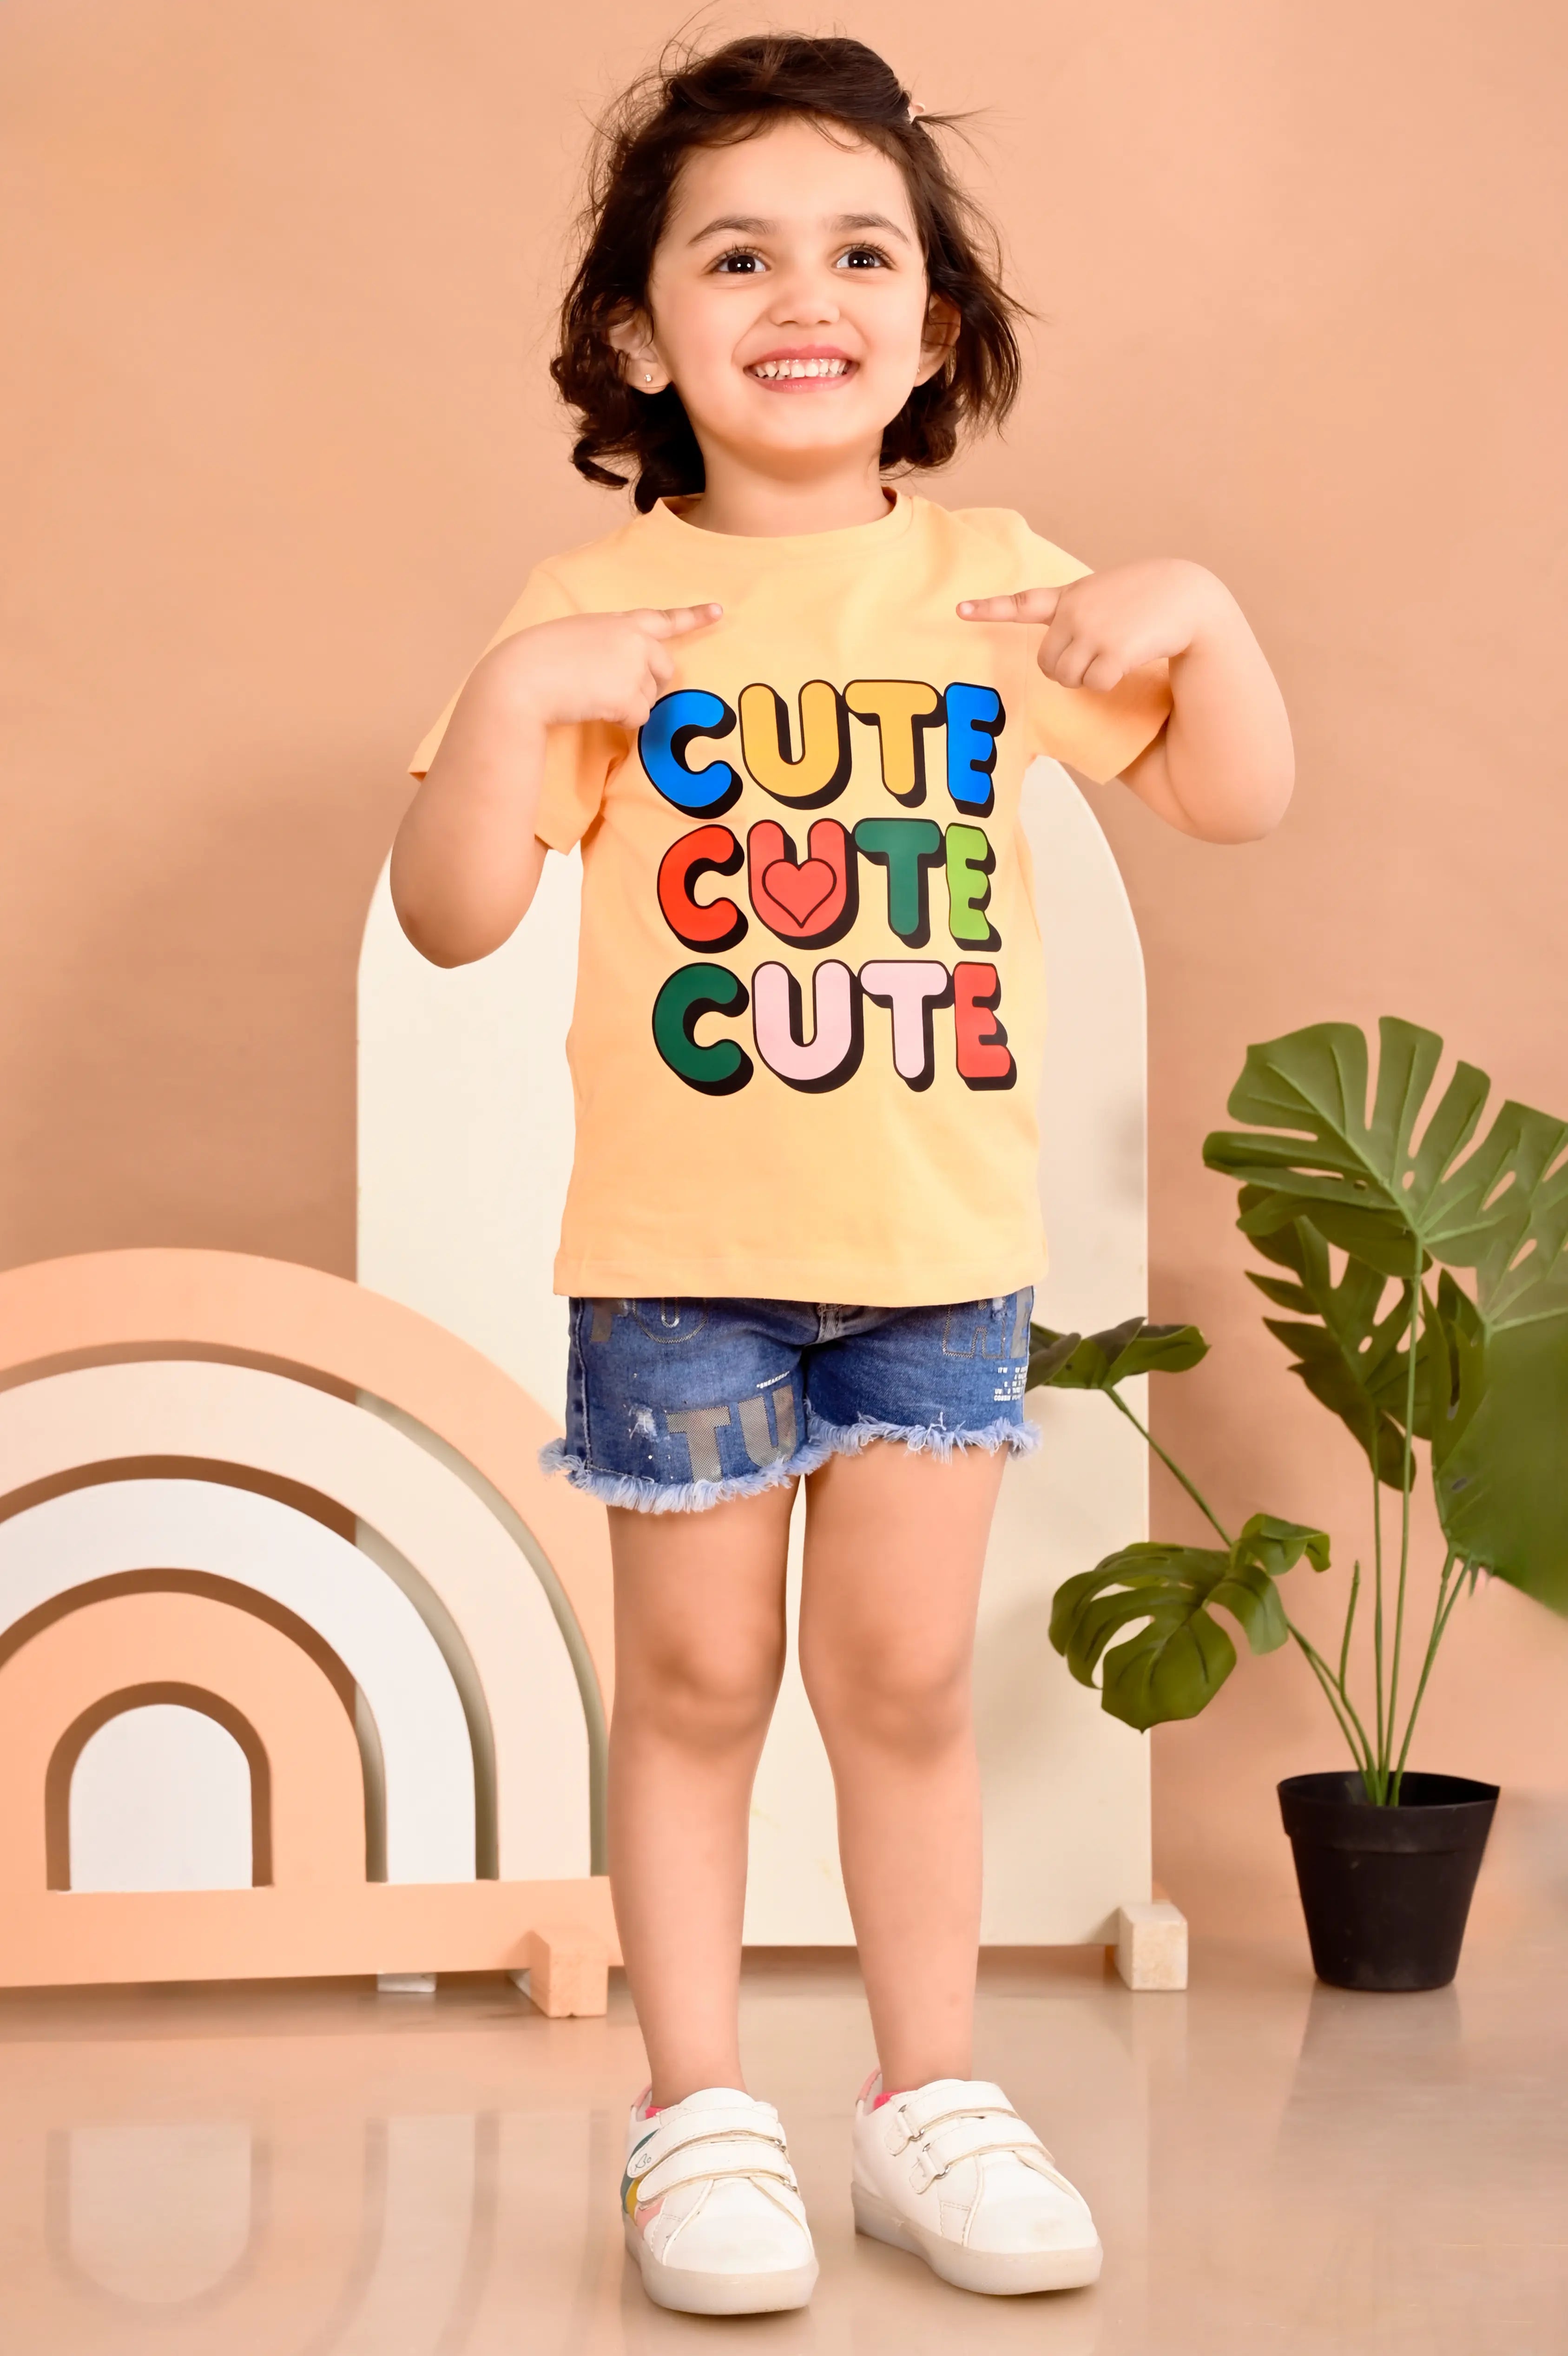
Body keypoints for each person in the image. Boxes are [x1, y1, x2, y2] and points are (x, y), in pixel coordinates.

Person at [391, 31, 1291, 2317]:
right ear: (638, 330)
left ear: (936, 330)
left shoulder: (995, 583)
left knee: (897, 1686)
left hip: (935, 1259)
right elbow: (455, 909)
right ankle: (696, 2113)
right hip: (682, 1266)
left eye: (859, 251)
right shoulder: (595, 603)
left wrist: (1199, 612)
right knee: (694, 1690)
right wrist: (519, 706)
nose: (805, 293)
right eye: (737, 253)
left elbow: (1233, 795)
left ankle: (923, 2099)